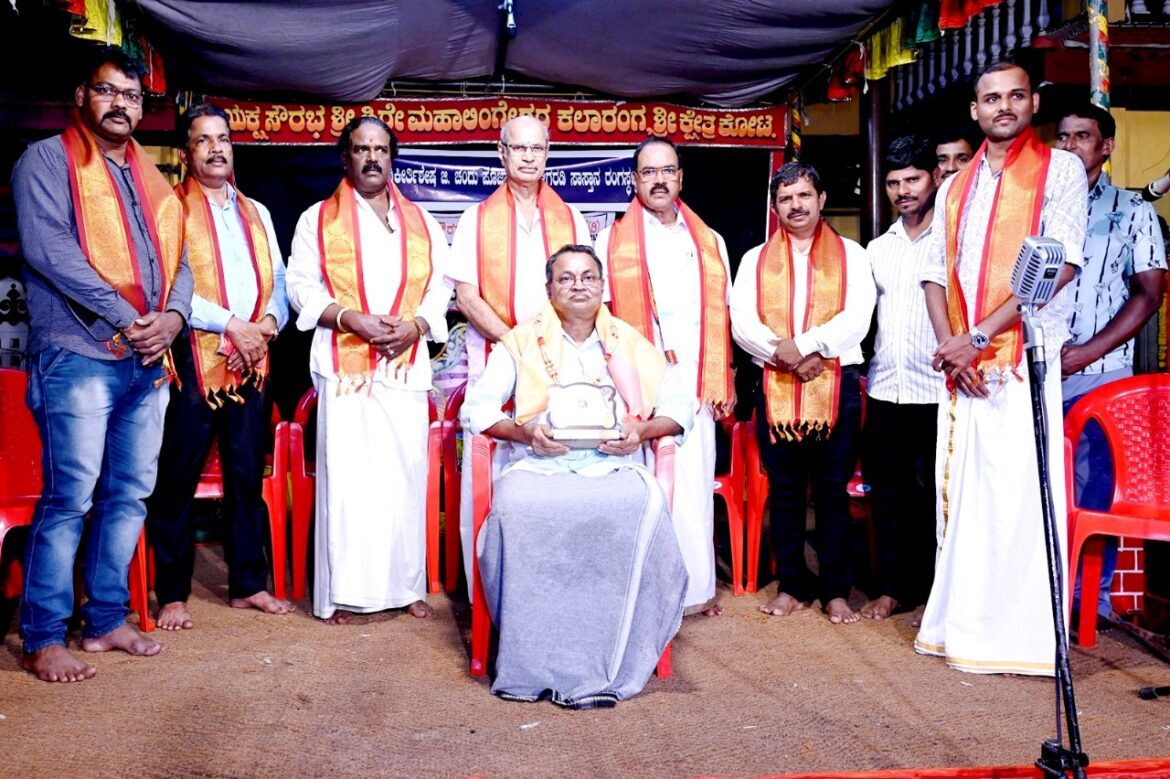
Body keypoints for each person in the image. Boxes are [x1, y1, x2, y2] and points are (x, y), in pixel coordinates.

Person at [11, 46, 192, 681]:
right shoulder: (46, 160)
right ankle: (42, 635)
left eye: (132, 96)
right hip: (78, 355)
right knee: (70, 497)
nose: (121, 104)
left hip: (147, 360)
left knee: (129, 495)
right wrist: (131, 317)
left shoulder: (153, 178)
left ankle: (107, 619)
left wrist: (173, 319)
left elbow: (181, 259)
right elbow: (49, 250)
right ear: (81, 97)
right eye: (108, 91)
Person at [462, 244, 691, 707]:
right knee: (515, 506)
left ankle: (621, 650)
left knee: (641, 504)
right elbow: (478, 408)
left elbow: (680, 405)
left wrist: (642, 430)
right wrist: (524, 433)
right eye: (566, 278)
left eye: (588, 277)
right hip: (538, 465)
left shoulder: (629, 341)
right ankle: (530, 659)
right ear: (549, 289)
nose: (578, 285)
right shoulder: (521, 340)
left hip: (613, 465)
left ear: (603, 286)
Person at [915, 60, 1087, 675]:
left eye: (1016, 96)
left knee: (1019, 498)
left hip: (1023, 361)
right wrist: (952, 348)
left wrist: (979, 337)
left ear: (1033, 104)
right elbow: (933, 275)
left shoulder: (1060, 169)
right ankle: (963, 629)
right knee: (968, 497)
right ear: (975, 110)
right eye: (992, 98)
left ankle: (1022, 640)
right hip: (965, 367)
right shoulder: (955, 185)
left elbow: (1059, 264)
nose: (1004, 106)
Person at [286, 116, 452, 623]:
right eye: (362, 149)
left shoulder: (421, 221)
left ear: (392, 157)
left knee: (405, 477)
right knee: (349, 481)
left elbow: (441, 286)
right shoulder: (317, 219)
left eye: (381, 149)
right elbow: (300, 287)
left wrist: (416, 326)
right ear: (346, 157)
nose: (372, 158)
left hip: (404, 364)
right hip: (346, 368)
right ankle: (342, 593)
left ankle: (406, 587)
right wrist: (350, 319)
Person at [144, 103, 294, 631]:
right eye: (203, 140)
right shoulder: (171, 209)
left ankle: (249, 584)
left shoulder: (257, 211)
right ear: (186, 153)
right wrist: (232, 325)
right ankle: (172, 593)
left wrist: (266, 326)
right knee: (177, 477)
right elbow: (171, 285)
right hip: (195, 357)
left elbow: (279, 278)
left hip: (253, 358)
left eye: (223, 138)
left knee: (246, 474)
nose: (216, 148)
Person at [447, 115, 590, 592]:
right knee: (490, 468)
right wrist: (518, 347)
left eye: (537, 148)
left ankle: (551, 587)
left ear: (547, 154)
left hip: (559, 364)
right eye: (519, 148)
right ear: (502, 153)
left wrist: (544, 350)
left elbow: (586, 294)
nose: (529, 157)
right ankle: (486, 590)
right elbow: (467, 297)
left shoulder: (570, 218)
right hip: (497, 355)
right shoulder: (476, 219)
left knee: (555, 463)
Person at [730, 162, 875, 625]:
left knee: (832, 491)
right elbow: (741, 322)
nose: (796, 205)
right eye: (786, 198)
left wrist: (807, 346)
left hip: (836, 384)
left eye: (804, 195)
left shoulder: (852, 255)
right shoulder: (755, 259)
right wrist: (787, 356)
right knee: (786, 491)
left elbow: (858, 316)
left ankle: (835, 590)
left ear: (821, 199)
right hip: (776, 384)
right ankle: (792, 584)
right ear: (775, 207)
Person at [596, 137, 734, 617]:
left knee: (692, 485)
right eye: (649, 172)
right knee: (641, 485)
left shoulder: (709, 241)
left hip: (695, 379)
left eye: (668, 171)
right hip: (634, 382)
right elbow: (601, 318)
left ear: (680, 177)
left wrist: (723, 375)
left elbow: (723, 314)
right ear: (634, 180)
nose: (659, 180)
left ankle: (694, 592)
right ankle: (640, 593)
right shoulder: (611, 241)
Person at [1055, 103, 1167, 621]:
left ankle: (1090, 602)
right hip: (1033, 373)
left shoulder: (1133, 210)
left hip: (1102, 376)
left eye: (1082, 136)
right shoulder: (1039, 207)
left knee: (1096, 490)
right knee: (1038, 487)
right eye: (1062, 136)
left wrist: (1087, 353)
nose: (1069, 146)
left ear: (1107, 147)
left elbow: (1149, 294)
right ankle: (1044, 597)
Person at [860, 136, 947, 621]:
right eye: (894, 183)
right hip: (885, 389)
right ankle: (893, 589)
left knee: (937, 496)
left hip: (938, 391)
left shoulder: (952, 241)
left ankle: (935, 593)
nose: (903, 191)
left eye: (912, 179)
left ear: (934, 178)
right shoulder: (876, 249)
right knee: (888, 493)